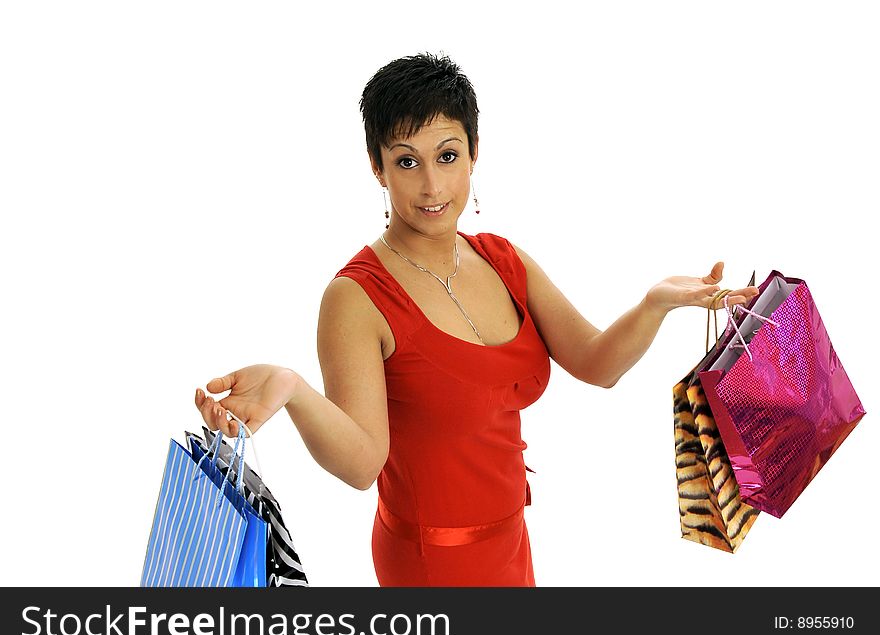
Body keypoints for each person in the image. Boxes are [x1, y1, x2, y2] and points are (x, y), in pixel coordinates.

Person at [193, 53, 759, 586]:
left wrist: (654, 303)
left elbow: (596, 364)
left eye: (447, 156)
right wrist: (294, 389)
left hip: (511, 541)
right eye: (406, 162)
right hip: (430, 561)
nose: (432, 186)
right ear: (377, 168)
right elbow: (363, 464)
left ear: (474, 152)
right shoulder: (357, 297)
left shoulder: (503, 259)